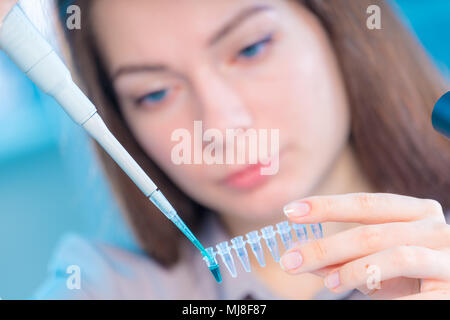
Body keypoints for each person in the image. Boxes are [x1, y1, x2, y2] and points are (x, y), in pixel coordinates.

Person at [1, 0, 450, 299]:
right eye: (155, 94)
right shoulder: (107, 286)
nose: (219, 128)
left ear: (335, 25)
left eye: (252, 48)